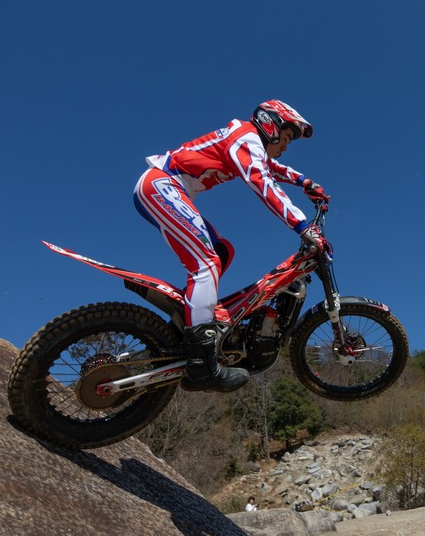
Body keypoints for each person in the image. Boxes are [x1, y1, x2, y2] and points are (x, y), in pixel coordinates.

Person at [133, 100, 330, 393]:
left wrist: (304, 182)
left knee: (222, 252)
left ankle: (188, 324)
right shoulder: (246, 137)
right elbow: (262, 181)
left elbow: (269, 167)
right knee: (206, 263)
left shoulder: (247, 143)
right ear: (271, 125)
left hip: (166, 188)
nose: (286, 146)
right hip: (162, 185)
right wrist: (303, 226)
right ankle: (201, 365)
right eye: (286, 138)